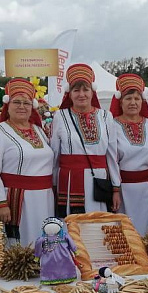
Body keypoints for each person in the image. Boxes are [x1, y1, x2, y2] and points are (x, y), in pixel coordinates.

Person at [0, 78, 55, 247]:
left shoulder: (38, 130)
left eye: (26, 103)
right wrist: (0, 203)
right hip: (18, 200)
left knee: (46, 241)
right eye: (16, 102)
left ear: (33, 107)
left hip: (45, 198)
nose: (22, 106)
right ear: (7, 105)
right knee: (22, 246)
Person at [50, 63, 121, 217]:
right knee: (73, 227)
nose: (81, 94)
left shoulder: (105, 116)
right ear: (69, 94)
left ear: (92, 92)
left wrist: (116, 188)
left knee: (98, 225)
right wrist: (53, 186)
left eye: (85, 89)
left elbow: (112, 155)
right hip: (69, 181)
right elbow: (55, 155)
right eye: (76, 90)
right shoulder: (60, 117)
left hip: (99, 181)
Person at [110, 73, 148, 236]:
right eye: (128, 98)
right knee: (126, 234)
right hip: (124, 191)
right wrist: (115, 190)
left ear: (142, 101)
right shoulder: (112, 125)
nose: (133, 102)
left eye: (137, 98)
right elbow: (110, 160)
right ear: (120, 101)